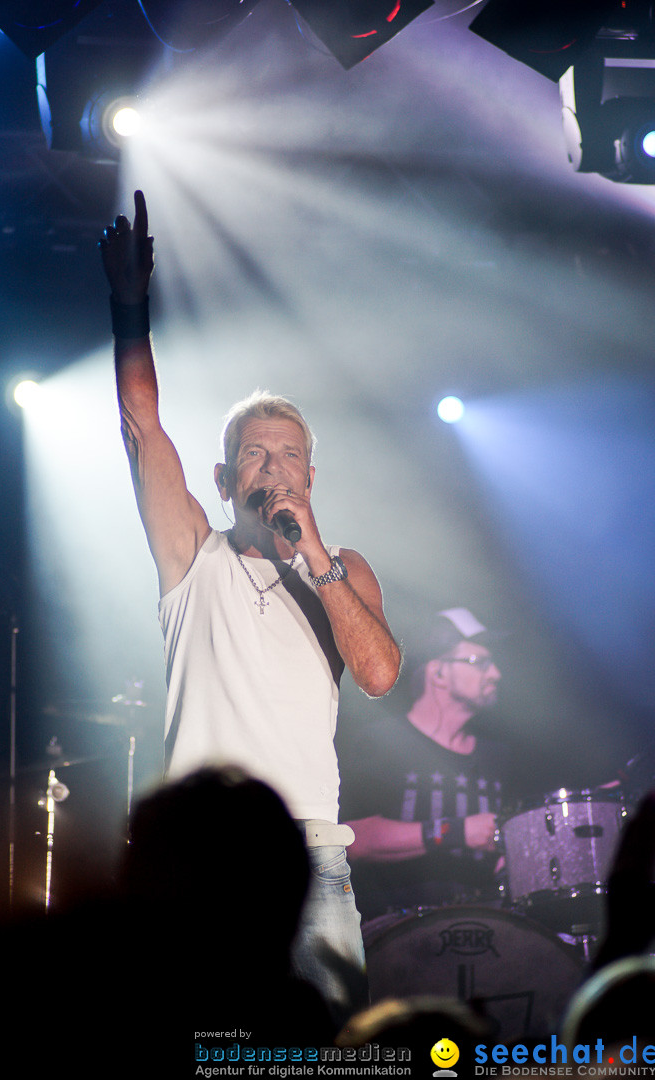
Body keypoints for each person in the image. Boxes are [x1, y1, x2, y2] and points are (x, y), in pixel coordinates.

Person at [98, 190, 401, 1025]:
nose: (275, 467)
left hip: (311, 861)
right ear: (227, 480)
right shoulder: (195, 555)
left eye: (291, 455)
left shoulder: (343, 570)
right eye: (255, 456)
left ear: (311, 478)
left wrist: (315, 556)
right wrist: (129, 306)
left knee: (329, 1052)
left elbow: (378, 674)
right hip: (201, 860)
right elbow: (139, 423)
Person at [340, 606, 506, 920]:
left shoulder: (498, 757)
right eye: (480, 662)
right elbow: (351, 839)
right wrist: (457, 831)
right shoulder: (381, 744)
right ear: (438, 672)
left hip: (484, 936)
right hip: (395, 939)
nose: (495, 673)